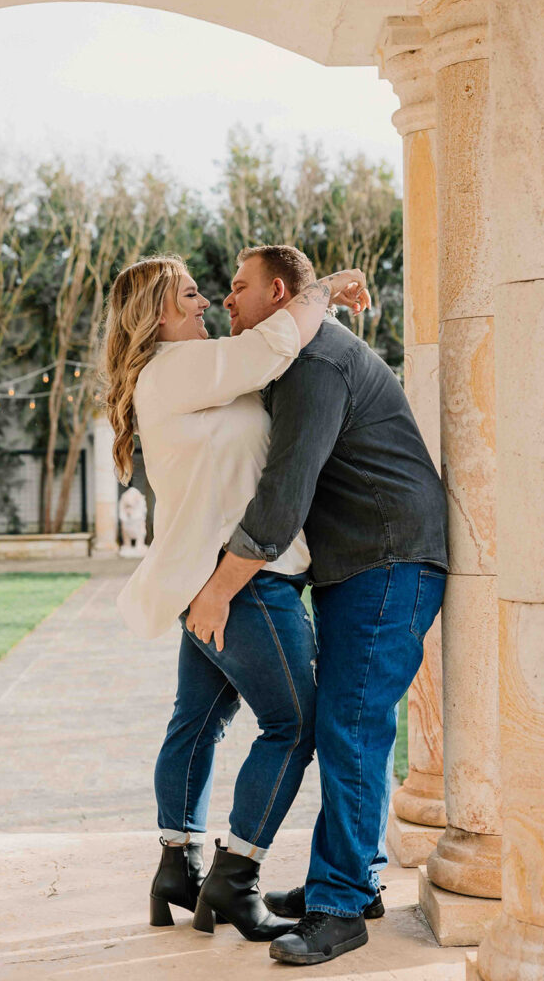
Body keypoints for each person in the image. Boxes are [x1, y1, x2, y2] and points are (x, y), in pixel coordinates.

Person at [187, 244, 449, 966]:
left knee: (348, 725)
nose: (226, 301)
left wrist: (215, 590)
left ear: (277, 293)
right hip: (360, 563)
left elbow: (282, 495)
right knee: (353, 722)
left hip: (387, 557)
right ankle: (352, 879)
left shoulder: (312, 363)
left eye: (237, 288)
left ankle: (338, 907)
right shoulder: (296, 354)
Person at [102, 253, 369, 943]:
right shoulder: (175, 365)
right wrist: (326, 289)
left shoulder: (185, 374)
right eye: (190, 295)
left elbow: (268, 356)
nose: (205, 303)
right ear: (157, 314)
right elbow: (274, 343)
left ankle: (178, 864)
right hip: (242, 579)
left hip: (207, 575)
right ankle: (236, 874)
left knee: (197, 719)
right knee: (294, 726)